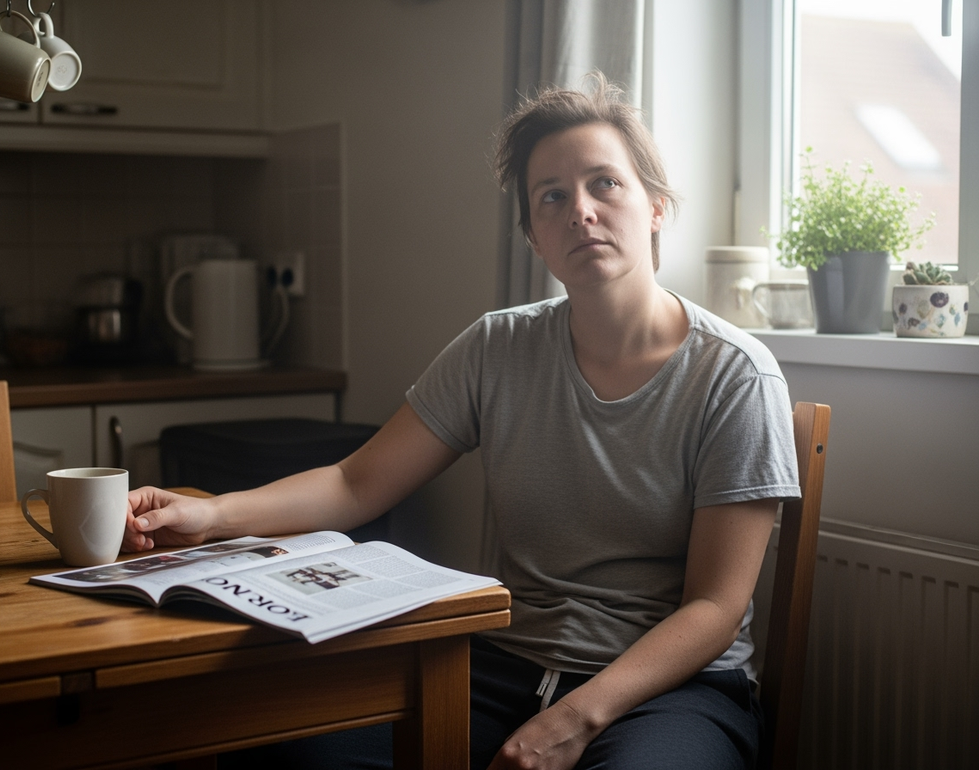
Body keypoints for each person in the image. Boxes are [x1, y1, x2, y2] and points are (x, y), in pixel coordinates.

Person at [124, 73, 800, 770]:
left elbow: (716, 608)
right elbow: (357, 483)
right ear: (534, 236)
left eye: (606, 184)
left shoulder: (734, 375)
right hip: (503, 661)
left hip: (671, 690)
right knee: (290, 750)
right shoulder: (496, 347)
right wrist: (211, 515)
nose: (581, 211)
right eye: (552, 197)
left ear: (656, 207)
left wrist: (573, 719)